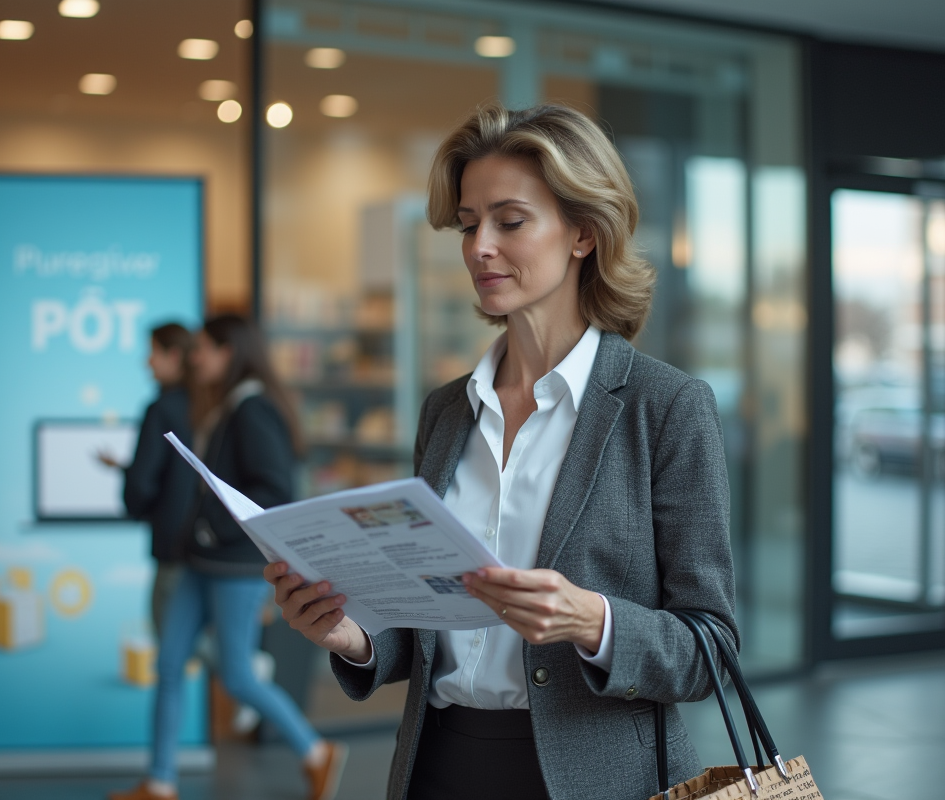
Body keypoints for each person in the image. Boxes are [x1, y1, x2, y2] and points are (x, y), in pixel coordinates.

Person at [266, 103, 738, 800]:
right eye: (468, 224)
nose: (479, 247)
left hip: (594, 779)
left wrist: (593, 621)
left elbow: (711, 649)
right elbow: (428, 622)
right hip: (439, 767)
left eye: (509, 221)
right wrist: (352, 636)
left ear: (583, 233)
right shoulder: (447, 410)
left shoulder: (664, 407)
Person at [112, 315, 346, 800]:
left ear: (228, 352)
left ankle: (316, 751)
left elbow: (273, 489)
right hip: (201, 562)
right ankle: (160, 781)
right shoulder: (226, 405)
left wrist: (212, 526)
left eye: (202, 349)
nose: (194, 358)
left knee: (237, 675)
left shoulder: (251, 409)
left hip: (233, 567)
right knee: (170, 663)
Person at [98, 322, 195, 635]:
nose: (147, 361)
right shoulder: (207, 405)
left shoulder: (161, 409)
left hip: (172, 543)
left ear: (174, 355)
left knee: (168, 639)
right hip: (207, 543)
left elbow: (144, 481)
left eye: (153, 352)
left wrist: (136, 503)